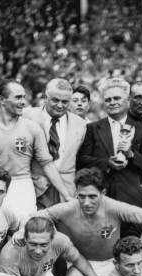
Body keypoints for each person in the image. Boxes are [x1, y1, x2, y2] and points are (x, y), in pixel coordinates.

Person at [0, 79, 71, 219]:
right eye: (18, 97)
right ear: (1, 99)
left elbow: (47, 163)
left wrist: (66, 196)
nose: (23, 102)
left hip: (24, 188)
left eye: (24, 97)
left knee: (24, 234)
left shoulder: (32, 128)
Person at [77, 77, 142, 207]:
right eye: (108, 100)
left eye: (117, 98)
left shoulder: (141, 128)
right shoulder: (92, 128)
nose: (112, 102)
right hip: (102, 196)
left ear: (127, 101)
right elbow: (82, 160)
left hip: (132, 196)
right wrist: (107, 163)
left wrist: (131, 155)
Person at [23, 78, 87, 208]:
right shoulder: (27, 116)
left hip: (67, 191)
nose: (60, 105)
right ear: (46, 97)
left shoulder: (80, 124)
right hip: (37, 189)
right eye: (55, 100)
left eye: (65, 102)